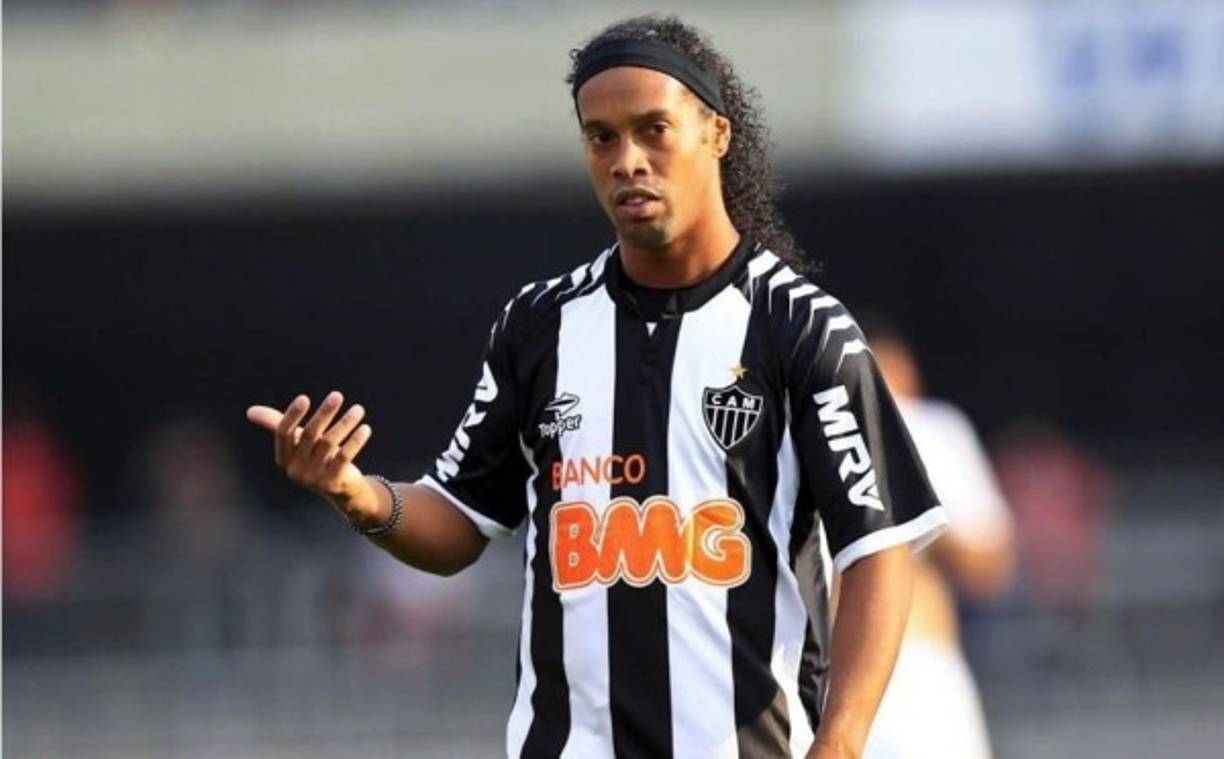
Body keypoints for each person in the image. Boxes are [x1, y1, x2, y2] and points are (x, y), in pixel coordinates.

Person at [247, 15, 946, 759]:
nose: (627, 160)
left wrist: (840, 742)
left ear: (716, 133)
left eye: (653, 130)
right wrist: (354, 494)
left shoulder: (801, 329)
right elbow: (458, 520)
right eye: (602, 138)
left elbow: (877, 548)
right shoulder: (538, 326)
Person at [861, 325, 1016, 759]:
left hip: (918, 662)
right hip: (827, 668)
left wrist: (919, 521)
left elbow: (992, 567)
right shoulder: (795, 434)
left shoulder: (930, 428)